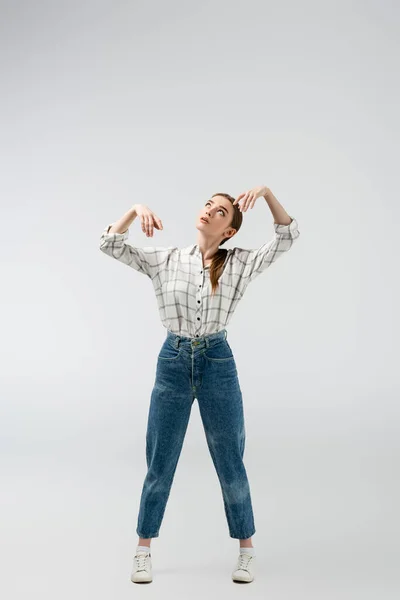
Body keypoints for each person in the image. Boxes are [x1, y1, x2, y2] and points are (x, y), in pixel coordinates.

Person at [99, 185, 300, 583]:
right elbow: (110, 243)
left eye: (221, 211)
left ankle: (246, 550)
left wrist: (266, 193)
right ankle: (143, 548)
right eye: (208, 205)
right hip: (172, 362)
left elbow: (287, 235)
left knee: (230, 460)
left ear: (229, 231)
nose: (210, 211)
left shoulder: (240, 263)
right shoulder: (166, 259)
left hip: (217, 363)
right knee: (160, 460)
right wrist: (135, 208)